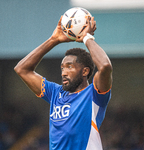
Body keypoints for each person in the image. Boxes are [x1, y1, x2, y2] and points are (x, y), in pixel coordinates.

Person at [14, 16, 113, 150]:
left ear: (85, 71)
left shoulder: (94, 95)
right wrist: (53, 40)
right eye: (62, 68)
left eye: (69, 66)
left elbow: (105, 66)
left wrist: (87, 38)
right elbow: (21, 69)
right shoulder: (55, 93)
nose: (63, 72)